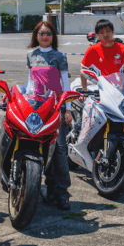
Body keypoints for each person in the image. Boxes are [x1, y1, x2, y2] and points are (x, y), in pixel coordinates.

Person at [80, 18, 124, 183]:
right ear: (97, 35)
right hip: (99, 88)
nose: (105, 35)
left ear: (112, 32)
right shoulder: (93, 50)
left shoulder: (122, 48)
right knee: (90, 115)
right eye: (102, 32)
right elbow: (83, 70)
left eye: (108, 31)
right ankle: (81, 141)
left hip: (118, 89)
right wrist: (83, 90)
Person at [26, 20, 73, 210]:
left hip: (56, 108)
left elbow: (65, 84)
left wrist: (67, 109)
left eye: (48, 33)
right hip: (36, 107)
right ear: (36, 36)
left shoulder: (59, 56)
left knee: (59, 150)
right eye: (41, 33)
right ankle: (37, 184)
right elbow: (30, 82)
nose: (44, 37)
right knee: (39, 147)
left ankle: (61, 192)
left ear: (53, 37)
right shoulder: (31, 55)